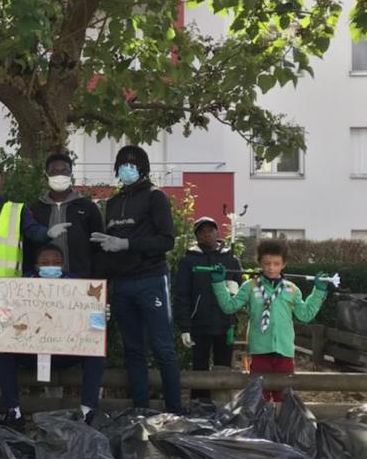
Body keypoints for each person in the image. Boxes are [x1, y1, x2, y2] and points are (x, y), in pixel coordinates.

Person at [91, 145, 182, 413]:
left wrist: (127, 244)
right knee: (133, 350)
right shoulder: (114, 203)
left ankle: (175, 411)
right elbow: (108, 246)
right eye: (122, 163)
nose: (127, 168)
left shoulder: (156, 197)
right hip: (121, 284)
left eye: (133, 163)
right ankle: (141, 410)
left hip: (151, 279)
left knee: (163, 348)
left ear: (143, 168)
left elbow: (167, 240)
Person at [0, 244, 105, 428]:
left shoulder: (79, 285)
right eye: (45, 262)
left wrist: (100, 314)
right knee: (2, 350)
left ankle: (88, 411)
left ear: (63, 265)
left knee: (96, 351)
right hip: (31, 352)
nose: (51, 265)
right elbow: (8, 319)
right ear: (37, 266)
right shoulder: (20, 286)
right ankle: (13, 412)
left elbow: (91, 320)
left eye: (56, 262)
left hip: (65, 352)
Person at [210, 238, 330, 402]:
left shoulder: (291, 289)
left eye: (276, 263)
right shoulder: (250, 286)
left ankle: (282, 426)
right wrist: (218, 283)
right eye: (267, 263)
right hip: (260, 352)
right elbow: (229, 307)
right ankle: (260, 426)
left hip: (285, 352)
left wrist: (319, 291)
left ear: (283, 264)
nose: (271, 268)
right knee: (260, 397)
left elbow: (305, 315)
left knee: (284, 397)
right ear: (259, 262)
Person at [174, 217, 242, 401]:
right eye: (202, 231)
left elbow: (240, 289)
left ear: (217, 232)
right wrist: (185, 327)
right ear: (197, 236)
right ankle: (199, 405)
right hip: (199, 323)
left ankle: (222, 405)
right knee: (199, 367)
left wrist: (234, 292)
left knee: (223, 367)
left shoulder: (231, 259)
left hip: (225, 322)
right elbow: (182, 295)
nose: (207, 234)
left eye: (210, 230)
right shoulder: (188, 262)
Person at [27, 153, 104, 278]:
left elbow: (98, 247)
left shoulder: (87, 207)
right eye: (54, 172)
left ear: (71, 176)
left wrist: (97, 277)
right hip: (40, 283)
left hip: (80, 280)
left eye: (64, 171)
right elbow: (28, 246)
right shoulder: (35, 209)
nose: (60, 175)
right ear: (46, 177)